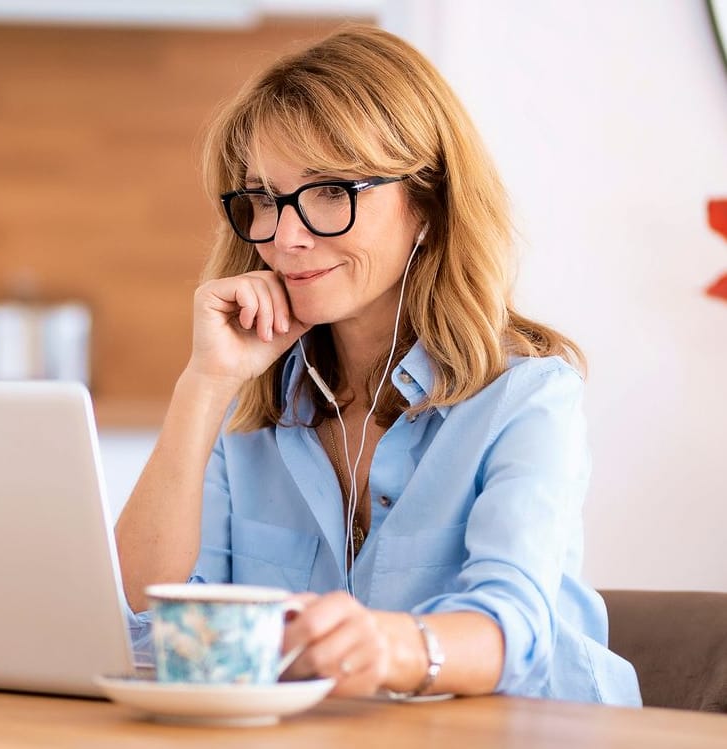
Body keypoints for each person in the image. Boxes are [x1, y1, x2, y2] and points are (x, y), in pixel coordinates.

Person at [114, 24, 641, 705]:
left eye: (331, 191)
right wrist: (204, 384)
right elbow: (146, 621)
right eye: (265, 197)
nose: (286, 234)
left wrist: (389, 644)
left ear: (426, 201)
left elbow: (515, 627)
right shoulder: (251, 407)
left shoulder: (528, 397)